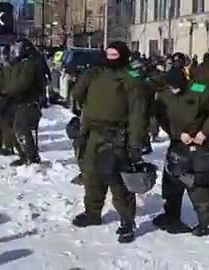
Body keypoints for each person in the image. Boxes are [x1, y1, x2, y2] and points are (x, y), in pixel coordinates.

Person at [71, 41, 148, 243]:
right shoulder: (94, 74)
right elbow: (77, 96)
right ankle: (92, 213)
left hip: (118, 137)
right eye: (109, 54)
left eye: (115, 54)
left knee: (119, 181)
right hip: (93, 133)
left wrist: (134, 144)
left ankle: (126, 221)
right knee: (91, 175)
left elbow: (138, 114)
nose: (111, 57)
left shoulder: (132, 79)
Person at [152, 62, 209, 236]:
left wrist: (204, 132)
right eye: (171, 87)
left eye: (176, 87)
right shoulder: (165, 94)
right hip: (178, 142)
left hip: (198, 144)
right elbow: (160, 115)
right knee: (171, 181)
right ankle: (171, 217)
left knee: (197, 185)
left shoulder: (199, 89)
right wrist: (177, 134)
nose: (174, 90)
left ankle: (206, 223)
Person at [2, 38, 43, 166]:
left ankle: (31, 156)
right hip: (18, 99)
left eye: (17, 48)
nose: (15, 52)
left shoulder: (30, 63)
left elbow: (23, 83)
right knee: (13, 126)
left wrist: (7, 92)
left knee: (21, 128)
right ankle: (23, 155)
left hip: (28, 100)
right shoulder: (18, 63)